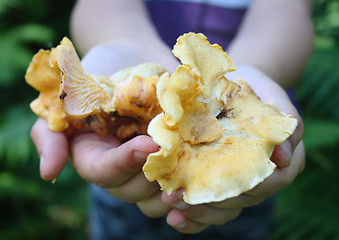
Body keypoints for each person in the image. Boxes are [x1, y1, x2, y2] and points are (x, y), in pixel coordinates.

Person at [31, 0, 313, 239]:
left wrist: (253, 72)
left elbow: (286, 11)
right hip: (121, 153)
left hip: (245, 178)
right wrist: (122, 42)